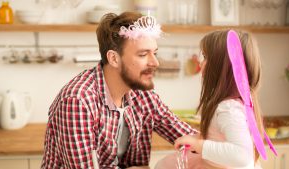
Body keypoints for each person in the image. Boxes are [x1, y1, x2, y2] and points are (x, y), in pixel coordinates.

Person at [41, 11, 197, 169]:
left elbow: (191, 139)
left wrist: (216, 147)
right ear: (114, 59)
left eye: (154, 53)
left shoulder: (142, 95)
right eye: (143, 54)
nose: (155, 62)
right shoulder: (78, 100)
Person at [155, 29, 265, 169]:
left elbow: (242, 155)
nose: (201, 63)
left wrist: (199, 145)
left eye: (206, 57)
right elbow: (223, 139)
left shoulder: (228, 109)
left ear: (222, 67)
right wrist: (201, 138)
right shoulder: (238, 103)